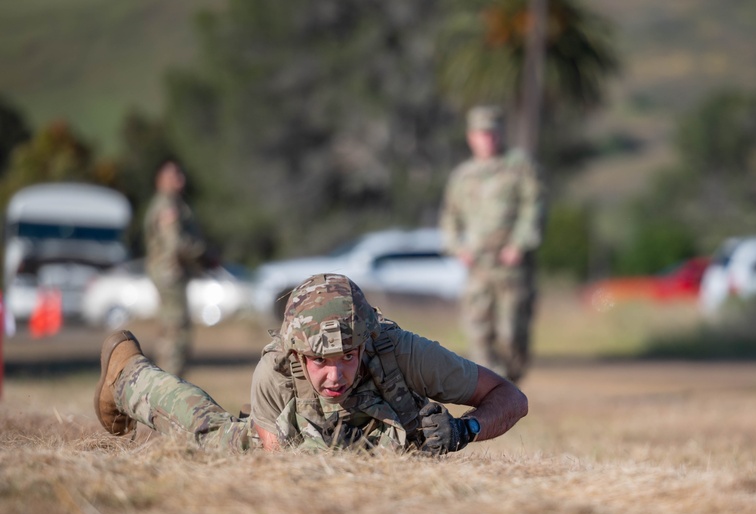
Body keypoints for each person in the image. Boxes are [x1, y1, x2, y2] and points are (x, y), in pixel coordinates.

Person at [93, 273, 528, 454]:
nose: (334, 374)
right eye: (320, 361)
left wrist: (462, 431)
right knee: (215, 437)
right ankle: (128, 376)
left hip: (365, 436)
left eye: (347, 358)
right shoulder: (274, 373)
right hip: (295, 440)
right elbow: (281, 472)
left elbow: (510, 397)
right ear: (298, 353)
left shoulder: (405, 353)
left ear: (366, 342)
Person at [439, 105, 545, 384]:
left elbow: (534, 207)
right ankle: (489, 387)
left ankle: (511, 381)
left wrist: (519, 244)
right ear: (470, 137)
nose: (486, 139)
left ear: (499, 134)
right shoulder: (463, 175)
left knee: (512, 331)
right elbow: (450, 216)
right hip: (478, 265)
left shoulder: (519, 166)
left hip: (511, 265)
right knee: (478, 329)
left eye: (491, 133)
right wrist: (456, 247)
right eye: (480, 134)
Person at [143, 157, 207, 377]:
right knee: (176, 330)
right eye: (173, 175)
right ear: (160, 179)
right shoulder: (168, 205)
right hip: (171, 274)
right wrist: (202, 252)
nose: (180, 179)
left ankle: (166, 381)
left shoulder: (170, 203)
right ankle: (172, 384)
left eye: (180, 174)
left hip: (168, 274)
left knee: (168, 329)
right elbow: (176, 243)